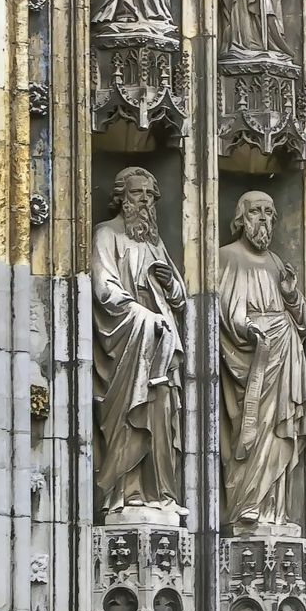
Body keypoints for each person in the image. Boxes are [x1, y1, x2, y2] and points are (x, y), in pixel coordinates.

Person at [91, 165, 187, 517]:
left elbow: (179, 299)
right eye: (137, 194)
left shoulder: (155, 243)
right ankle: (127, 493)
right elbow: (104, 290)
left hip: (159, 348)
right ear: (121, 198)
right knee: (131, 416)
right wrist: (145, 318)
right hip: (128, 347)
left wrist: (172, 286)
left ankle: (161, 493)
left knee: (162, 417)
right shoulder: (106, 235)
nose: (145, 201)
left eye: (150, 195)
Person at [216, 190, 306, 533]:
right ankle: (246, 505)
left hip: (283, 358)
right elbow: (226, 315)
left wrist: (290, 294)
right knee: (251, 432)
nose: (264, 219)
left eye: (269, 213)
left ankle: (274, 510)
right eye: (256, 212)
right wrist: (248, 328)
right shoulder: (228, 258)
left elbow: (302, 324)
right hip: (254, 358)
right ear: (241, 218)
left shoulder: (275, 263)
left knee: (277, 433)